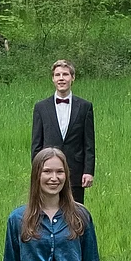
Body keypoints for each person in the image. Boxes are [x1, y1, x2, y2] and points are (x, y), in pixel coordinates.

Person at [30, 60, 97, 203]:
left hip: (75, 172)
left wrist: (88, 171)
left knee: (75, 211)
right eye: (57, 75)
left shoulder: (85, 107)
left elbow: (89, 143)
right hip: (48, 172)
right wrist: (37, 172)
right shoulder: (41, 107)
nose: (61, 78)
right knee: (48, 209)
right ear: (53, 79)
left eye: (65, 74)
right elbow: (36, 143)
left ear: (73, 78)